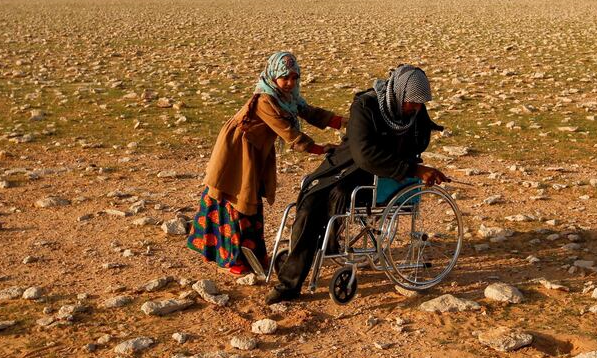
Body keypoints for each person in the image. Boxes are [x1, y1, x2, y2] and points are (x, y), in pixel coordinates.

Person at [266, 64, 448, 304]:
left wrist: (415, 164)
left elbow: (419, 139)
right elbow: (364, 153)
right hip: (346, 165)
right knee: (310, 203)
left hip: (379, 175)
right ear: (399, 93)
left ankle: (327, 244)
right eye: (411, 102)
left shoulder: (414, 111)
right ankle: (290, 283)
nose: (416, 108)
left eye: (419, 103)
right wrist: (413, 168)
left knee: (340, 196)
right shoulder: (366, 106)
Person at [187, 51, 345, 275]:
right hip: (237, 150)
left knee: (251, 199)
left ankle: (256, 255)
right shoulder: (265, 100)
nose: (290, 83)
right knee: (235, 198)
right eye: (285, 78)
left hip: (255, 149)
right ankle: (234, 259)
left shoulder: (288, 98)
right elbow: (289, 134)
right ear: (273, 77)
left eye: (294, 77)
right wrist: (321, 149)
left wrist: (345, 122)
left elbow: (311, 113)